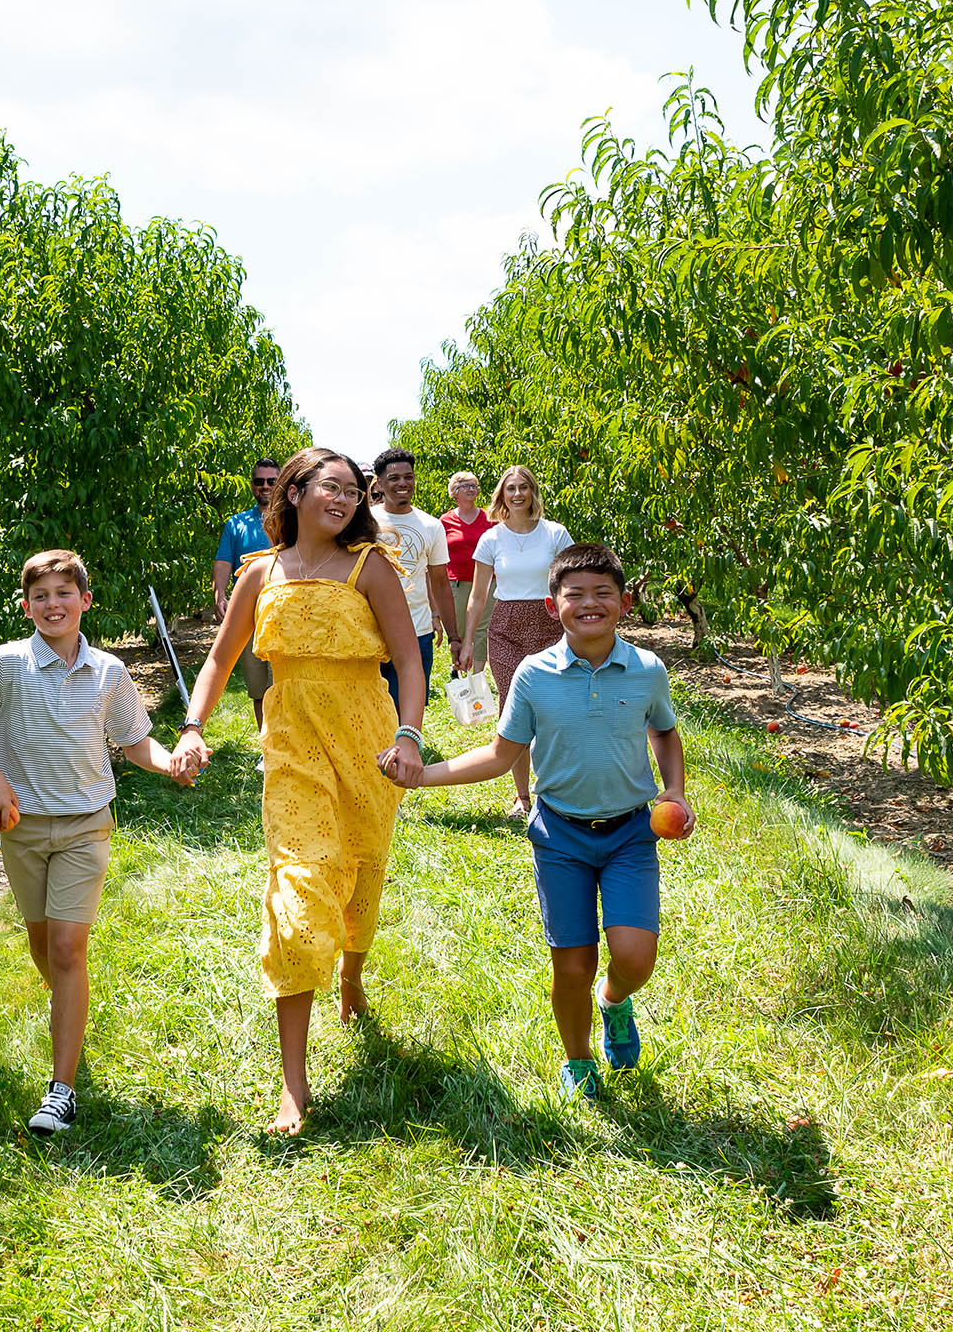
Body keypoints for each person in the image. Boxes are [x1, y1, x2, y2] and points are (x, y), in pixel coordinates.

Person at [170, 446, 425, 1135]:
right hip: (291, 747)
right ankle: (294, 1083)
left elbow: (407, 660)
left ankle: (351, 974)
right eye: (330, 487)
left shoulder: (371, 567)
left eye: (353, 491)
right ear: (295, 491)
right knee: (298, 887)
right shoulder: (260, 573)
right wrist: (193, 727)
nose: (343, 499)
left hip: (366, 741)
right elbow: (220, 658)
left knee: (361, 872)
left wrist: (408, 736)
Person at [386, 543, 693, 1101]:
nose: (589, 603)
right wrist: (423, 776)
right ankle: (579, 1058)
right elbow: (501, 754)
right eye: (575, 594)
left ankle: (614, 1000)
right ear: (553, 606)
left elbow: (664, 732)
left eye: (603, 593)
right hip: (560, 836)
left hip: (630, 833)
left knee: (634, 957)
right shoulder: (533, 674)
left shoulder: (646, 670)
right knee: (572, 965)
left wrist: (673, 790)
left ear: (625, 603)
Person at [0, 549, 186, 1135]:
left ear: (85, 601)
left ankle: (61, 1091)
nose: (53, 605)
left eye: (63, 593)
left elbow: (133, 742)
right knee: (44, 945)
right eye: (41, 596)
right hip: (21, 826)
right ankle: (69, 1011)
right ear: (27, 607)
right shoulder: (5, 665)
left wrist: (171, 762)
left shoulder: (109, 672)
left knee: (69, 948)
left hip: (85, 823)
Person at [461, 465, 574, 818]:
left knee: (554, 708)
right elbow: (478, 596)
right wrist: (468, 642)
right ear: (502, 495)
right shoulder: (491, 539)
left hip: (549, 625)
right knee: (515, 709)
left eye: (524, 487)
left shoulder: (555, 533)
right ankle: (522, 796)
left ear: (533, 492)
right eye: (510, 488)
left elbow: (572, 582)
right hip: (506, 628)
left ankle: (554, 788)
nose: (517, 494)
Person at [368, 446, 461, 709]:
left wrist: (454, 636)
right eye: (394, 478)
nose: (403, 483)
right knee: (370, 710)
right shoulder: (365, 522)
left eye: (408, 477)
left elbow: (440, 582)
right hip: (370, 629)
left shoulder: (431, 526)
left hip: (417, 631)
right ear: (380, 483)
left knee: (409, 707)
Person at [213, 458, 281, 730]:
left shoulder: (295, 520)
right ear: (252, 485)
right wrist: (219, 594)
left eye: (271, 481)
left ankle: (286, 742)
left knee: (284, 686)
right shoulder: (236, 524)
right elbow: (223, 561)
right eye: (259, 481)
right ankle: (267, 743)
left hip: (284, 612)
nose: (265, 486)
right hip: (249, 614)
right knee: (258, 687)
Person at [439, 471, 493, 678]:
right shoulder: (445, 521)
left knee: (482, 629)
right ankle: (460, 669)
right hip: (457, 582)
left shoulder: (490, 518)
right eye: (466, 486)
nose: (471, 489)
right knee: (460, 629)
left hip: (486, 582)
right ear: (454, 492)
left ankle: (478, 676)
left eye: (474, 486)